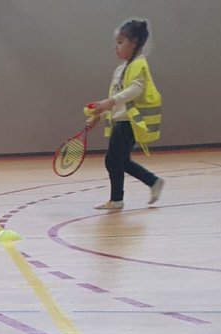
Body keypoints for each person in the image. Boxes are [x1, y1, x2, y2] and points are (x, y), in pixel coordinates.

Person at [86, 18, 164, 210]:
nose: (116, 47)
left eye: (121, 42)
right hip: (121, 120)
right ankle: (152, 182)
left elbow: (134, 90)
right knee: (121, 161)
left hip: (129, 122)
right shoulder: (121, 69)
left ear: (134, 42)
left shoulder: (138, 65)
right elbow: (115, 99)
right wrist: (98, 115)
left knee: (113, 160)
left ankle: (117, 199)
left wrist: (108, 103)